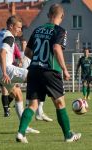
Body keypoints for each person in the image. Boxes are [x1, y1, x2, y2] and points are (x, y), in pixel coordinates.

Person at [16, 4, 81, 143]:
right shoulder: (60, 31)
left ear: (48, 15)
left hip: (33, 70)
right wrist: (64, 69)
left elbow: (27, 52)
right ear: (62, 16)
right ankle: (68, 135)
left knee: (32, 105)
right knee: (60, 103)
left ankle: (21, 133)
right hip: (50, 71)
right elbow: (57, 48)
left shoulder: (37, 29)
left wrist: (38, 59)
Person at [19, 36, 53, 122]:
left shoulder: (31, 52)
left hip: (31, 71)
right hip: (24, 73)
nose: (23, 45)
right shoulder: (20, 53)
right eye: (22, 43)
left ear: (27, 44)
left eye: (24, 43)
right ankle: (37, 111)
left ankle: (39, 111)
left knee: (40, 89)